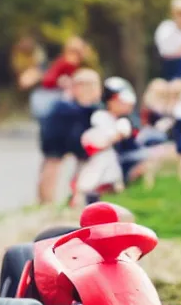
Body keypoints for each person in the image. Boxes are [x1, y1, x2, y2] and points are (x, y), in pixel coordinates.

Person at [37, 68, 102, 204]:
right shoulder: (64, 106)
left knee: (83, 166)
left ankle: (73, 198)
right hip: (57, 139)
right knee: (52, 166)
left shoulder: (89, 107)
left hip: (78, 141)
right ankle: (46, 201)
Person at [70, 77, 136, 207]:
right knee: (90, 181)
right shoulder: (99, 118)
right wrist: (116, 135)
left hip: (108, 163)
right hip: (96, 161)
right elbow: (95, 142)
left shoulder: (120, 120)